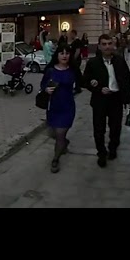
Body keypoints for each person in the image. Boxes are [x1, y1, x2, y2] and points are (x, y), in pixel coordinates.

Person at [83, 34, 130, 168]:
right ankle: (101, 153)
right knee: (99, 129)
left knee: (116, 128)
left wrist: (129, 100)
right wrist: (97, 87)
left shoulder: (119, 61)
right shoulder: (93, 63)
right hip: (100, 100)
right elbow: (85, 81)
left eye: (109, 43)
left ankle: (113, 148)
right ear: (99, 46)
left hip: (116, 99)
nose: (107, 46)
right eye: (104, 44)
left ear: (113, 45)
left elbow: (126, 80)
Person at [40, 44, 78, 173]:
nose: (65, 55)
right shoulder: (50, 70)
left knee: (60, 134)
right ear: (57, 55)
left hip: (67, 107)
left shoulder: (73, 70)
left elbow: (83, 82)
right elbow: (43, 84)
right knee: (52, 133)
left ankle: (55, 159)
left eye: (67, 53)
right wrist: (46, 89)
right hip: (53, 107)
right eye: (62, 53)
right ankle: (64, 143)